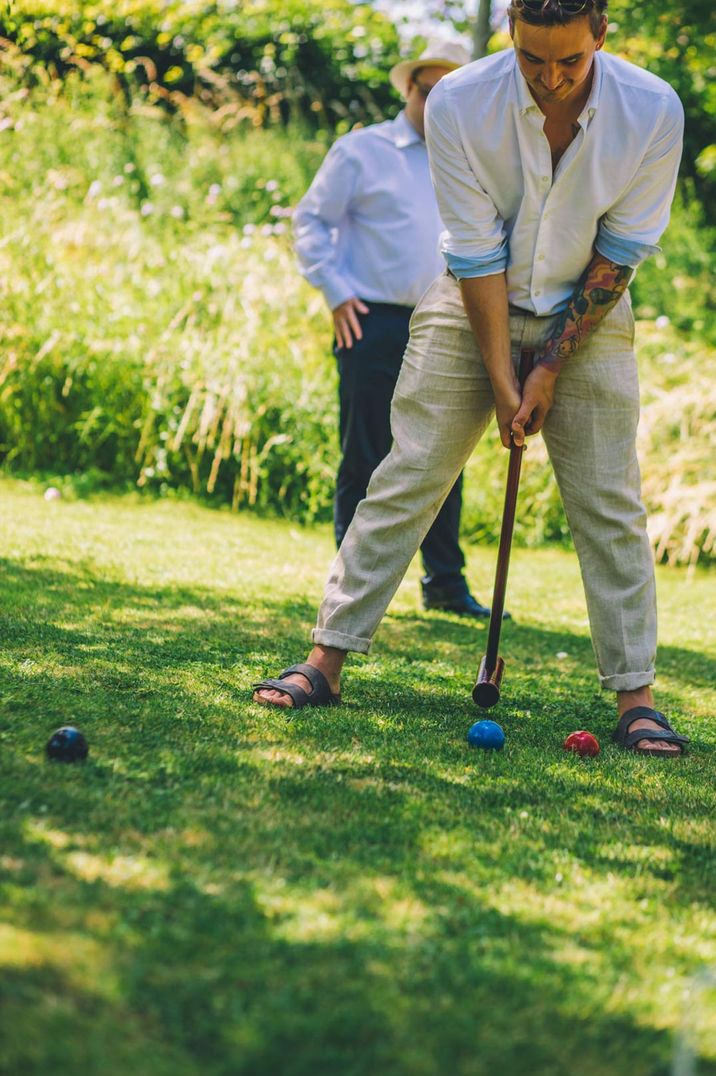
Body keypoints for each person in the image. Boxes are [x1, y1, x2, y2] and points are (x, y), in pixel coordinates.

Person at [254, 0, 690, 758]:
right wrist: (502, 381)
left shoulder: (651, 109)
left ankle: (637, 700)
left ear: (601, 35)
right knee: (411, 471)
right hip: (468, 300)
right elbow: (475, 250)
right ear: (509, 34)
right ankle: (326, 658)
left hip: (592, 307)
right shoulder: (460, 101)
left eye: (570, 62)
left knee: (610, 500)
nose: (550, 79)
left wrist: (550, 364)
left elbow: (620, 249)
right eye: (531, 59)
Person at [292, 39, 496, 618]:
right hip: (372, 319)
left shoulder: (479, 158)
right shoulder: (362, 151)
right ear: (408, 89)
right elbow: (310, 221)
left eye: (448, 95)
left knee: (444, 456)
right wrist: (336, 292)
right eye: (427, 92)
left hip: (453, 322)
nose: (436, 106)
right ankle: (349, 587)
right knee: (364, 451)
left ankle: (446, 585)